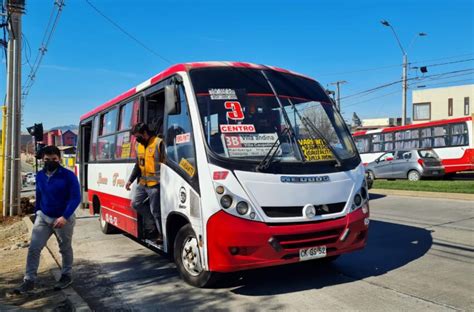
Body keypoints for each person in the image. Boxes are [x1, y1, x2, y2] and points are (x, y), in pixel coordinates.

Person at [13, 145, 81, 294]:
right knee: (34, 248)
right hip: (43, 217)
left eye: (54, 159)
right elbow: (39, 194)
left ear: (59, 159)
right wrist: (37, 211)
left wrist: (65, 216)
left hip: (63, 219)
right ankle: (29, 280)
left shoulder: (68, 176)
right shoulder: (40, 176)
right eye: (47, 159)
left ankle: (66, 275)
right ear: (43, 160)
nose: (50, 162)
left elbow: (76, 197)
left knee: (65, 248)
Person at [126, 122, 163, 243]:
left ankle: (160, 235)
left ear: (145, 133)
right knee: (135, 204)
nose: (136, 139)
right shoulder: (139, 146)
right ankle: (151, 224)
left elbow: (166, 163)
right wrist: (130, 180)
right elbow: (138, 165)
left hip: (155, 185)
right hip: (143, 184)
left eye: (138, 136)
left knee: (155, 211)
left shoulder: (158, 143)